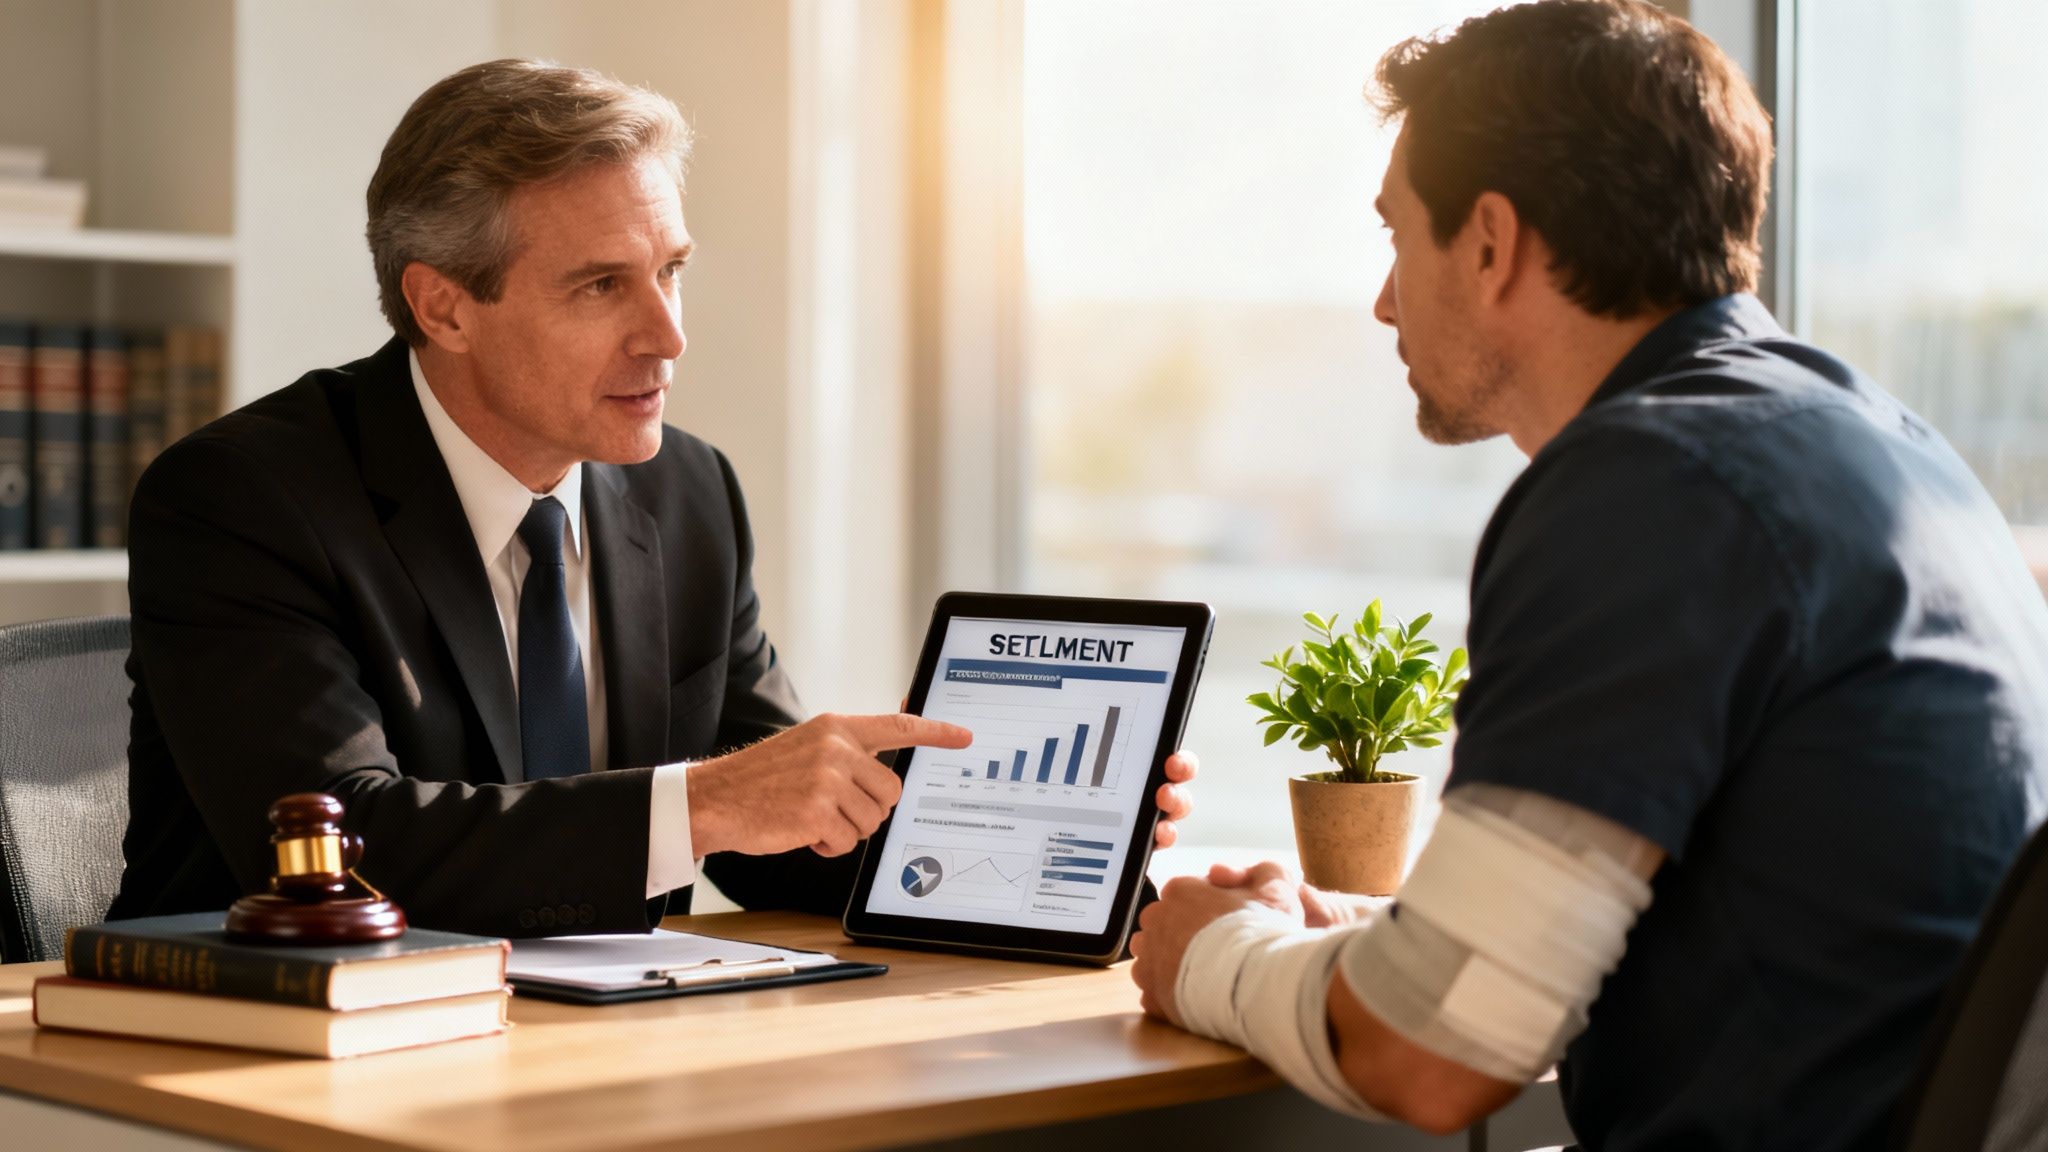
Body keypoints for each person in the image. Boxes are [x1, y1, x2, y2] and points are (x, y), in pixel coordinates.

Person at [1127, 2, 2048, 1149]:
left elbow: (1429, 1054)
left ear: (1489, 242)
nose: (1382, 299)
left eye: (1395, 236)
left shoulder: (1652, 487)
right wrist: (1367, 938)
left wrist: (1207, 954)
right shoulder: (1877, 447)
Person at [107, 59, 1196, 938]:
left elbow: (775, 838)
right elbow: (344, 854)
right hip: (254, 1060)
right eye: (601, 286)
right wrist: (710, 800)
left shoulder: (687, 493)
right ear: (443, 308)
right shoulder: (243, 499)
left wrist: (1015, 833)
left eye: (670, 270)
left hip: (588, 1040)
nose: (668, 336)